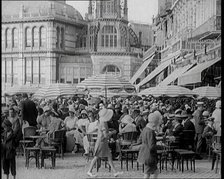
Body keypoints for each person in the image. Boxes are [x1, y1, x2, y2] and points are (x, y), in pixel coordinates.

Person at [87, 108, 123, 177]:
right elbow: (105, 135)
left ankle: (115, 172)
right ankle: (89, 171)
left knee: (108, 156)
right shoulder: (103, 123)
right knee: (97, 156)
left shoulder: (102, 121)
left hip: (102, 142)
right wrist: (112, 132)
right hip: (101, 142)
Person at [137, 112, 160, 179]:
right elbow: (152, 146)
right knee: (148, 173)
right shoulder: (150, 131)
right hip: (149, 155)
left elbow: (140, 140)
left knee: (153, 171)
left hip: (144, 153)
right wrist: (161, 146)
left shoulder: (145, 129)